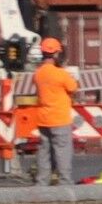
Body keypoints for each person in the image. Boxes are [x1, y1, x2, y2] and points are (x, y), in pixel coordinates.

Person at [30, 37, 81, 187]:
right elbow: (73, 88)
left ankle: (42, 183)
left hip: (43, 119)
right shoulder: (61, 74)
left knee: (44, 151)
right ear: (56, 54)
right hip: (59, 118)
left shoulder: (38, 73)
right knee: (62, 151)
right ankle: (65, 182)